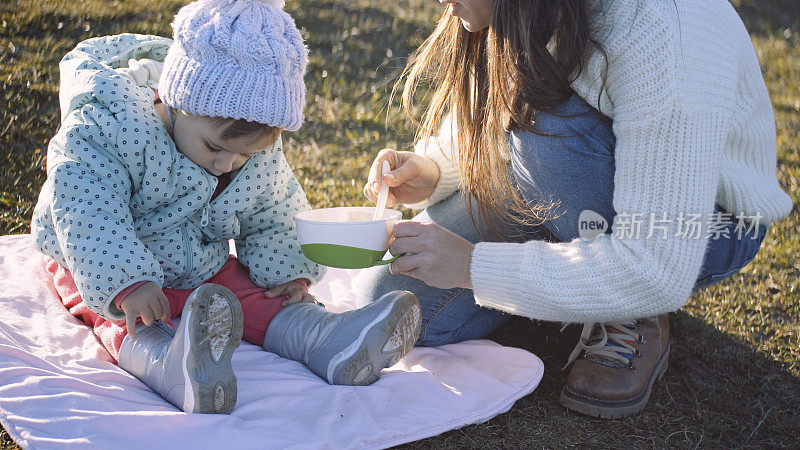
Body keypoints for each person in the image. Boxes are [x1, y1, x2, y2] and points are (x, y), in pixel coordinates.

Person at [360, 0, 792, 418]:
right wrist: (434, 169)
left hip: (698, 224)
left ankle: (630, 310)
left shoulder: (663, 27)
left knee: (542, 126)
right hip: (557, 179)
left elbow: (657, 264)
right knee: (396, 301)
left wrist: (473, 267)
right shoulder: (524, 9)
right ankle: (578, 261)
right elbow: (493, 113)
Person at [32, 0, 421, 415]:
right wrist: (127, 283)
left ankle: (329, 341)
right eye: (215, 148)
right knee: (120, 318)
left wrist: (289, 273)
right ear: (177, 101)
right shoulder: (106, 126)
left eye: (241, 156)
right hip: (101, 260)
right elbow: (89, 215)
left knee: (257, 292)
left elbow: (274, 207)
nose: (225, 164)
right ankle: (170, 366)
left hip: (198, 260)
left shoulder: (248, 147)